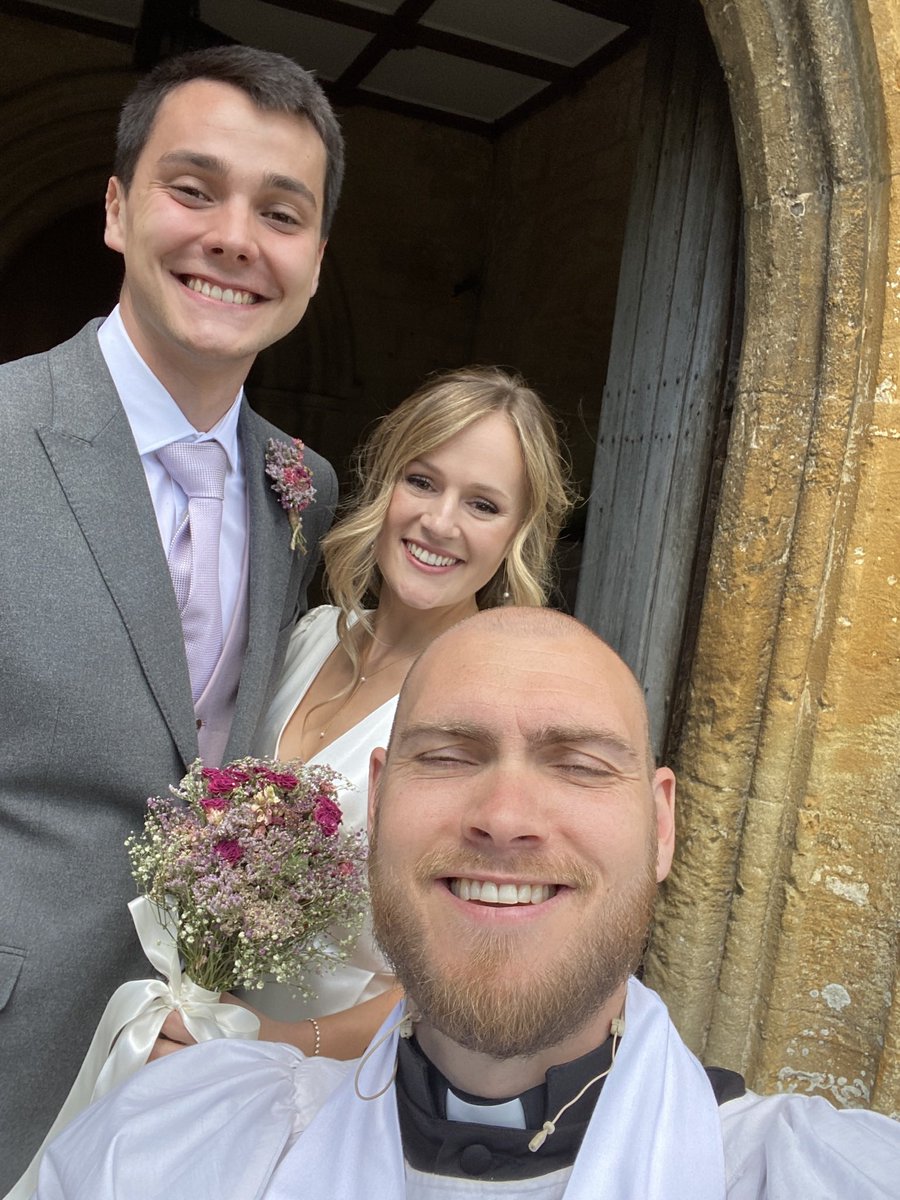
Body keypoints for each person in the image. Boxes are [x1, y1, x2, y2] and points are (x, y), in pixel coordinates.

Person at [33, 608, 900, 1199]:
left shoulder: (812, 1173)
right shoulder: (168, 1145)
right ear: (378, 803)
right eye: (448, 756)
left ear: (662, 824)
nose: (505, 818)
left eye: (580, 764)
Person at [0, 44, 341, 1192]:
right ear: (117, 209)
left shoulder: (302, 488)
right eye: (194, 190)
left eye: (281, 213)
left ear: (316, 260)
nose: (236, 238)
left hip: (180, 1080)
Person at [155, 366, 574, 1060]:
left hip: (334, 1076)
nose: (439, 522)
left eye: (482, 504)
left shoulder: (494, 714)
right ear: (385, 484)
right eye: (423, 481)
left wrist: (281, 1044)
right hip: (187, 1037)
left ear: (516, 535)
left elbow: (477, 966)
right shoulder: (307, 635)